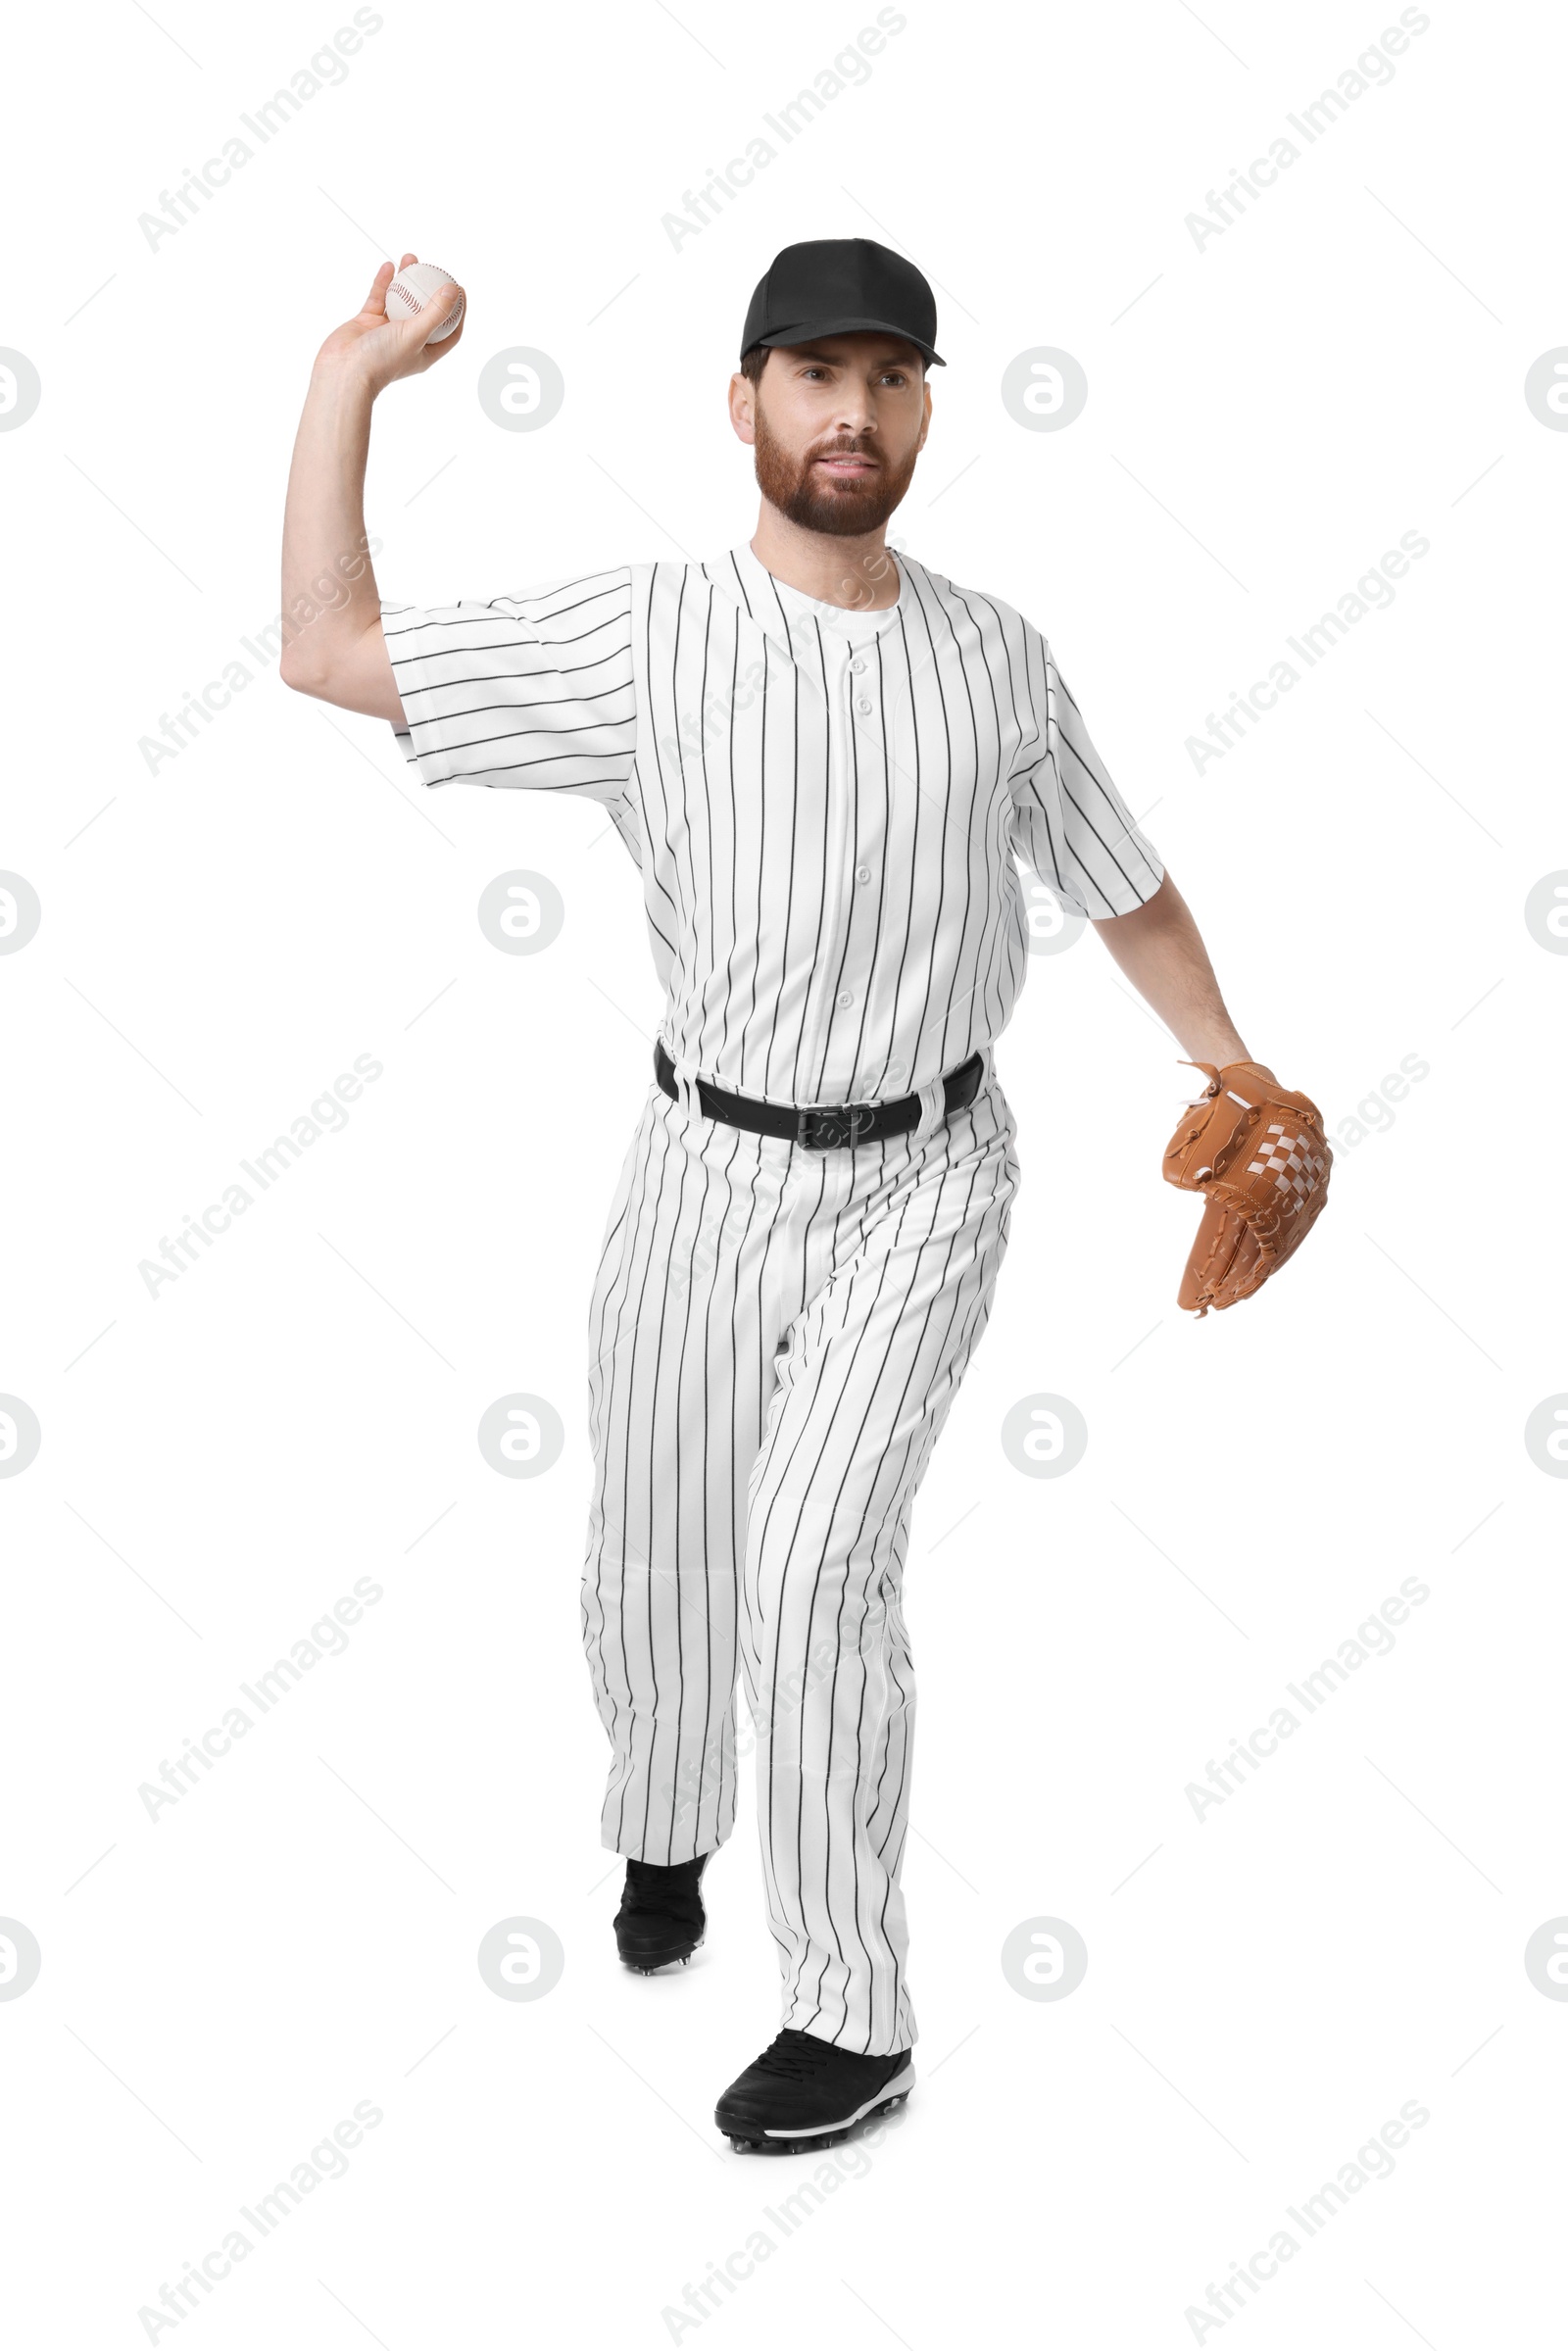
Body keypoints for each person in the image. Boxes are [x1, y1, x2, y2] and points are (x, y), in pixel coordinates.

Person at [280, 234, 1279, 2154]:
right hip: (700, 1164)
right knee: (656, 1562)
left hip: (928, 1171)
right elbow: (326, 653)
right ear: (741, 406)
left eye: (887, 376)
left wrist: (1227, 1064)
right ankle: (662, 1829)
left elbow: (1117, 881)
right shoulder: (641, 634)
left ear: (921, 409)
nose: (850, 409)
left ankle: (850, 2010)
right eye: (811, 373)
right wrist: (352, 380)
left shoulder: (996, 653)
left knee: (820, 1572)